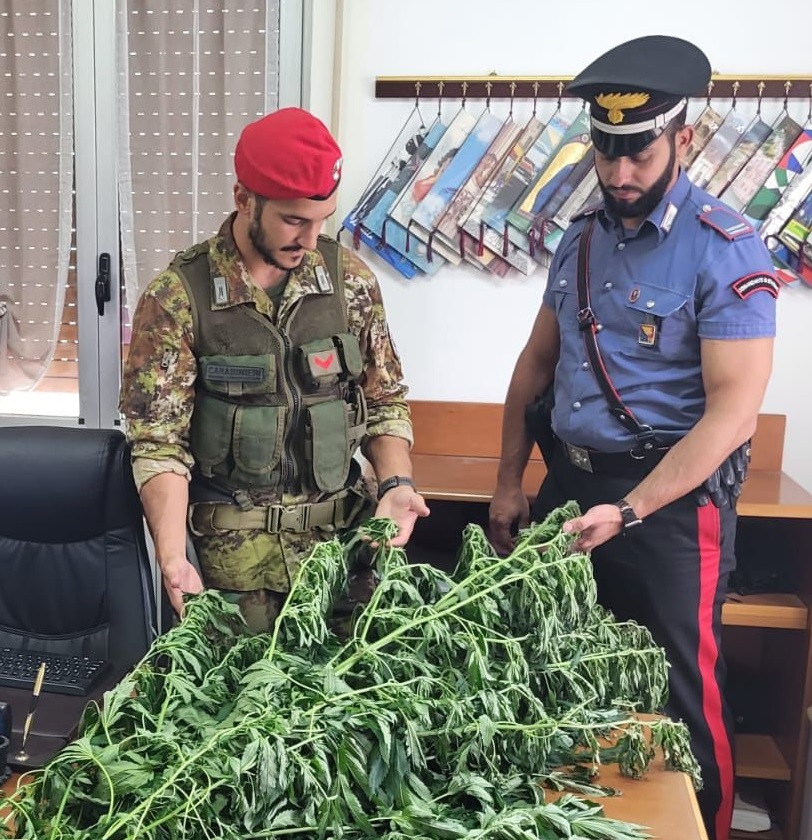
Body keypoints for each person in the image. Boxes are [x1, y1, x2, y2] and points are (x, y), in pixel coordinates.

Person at [488, 36, 777, 840]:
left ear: (685, 138)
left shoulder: (726, 246)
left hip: (670, 507)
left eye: (639, 154)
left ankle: (705, 828)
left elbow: (734, 413)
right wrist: (509, 481)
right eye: (606, 152)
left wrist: (631, 509)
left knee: (682, 693)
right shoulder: (581, 237)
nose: (619, 173)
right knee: (557, 673)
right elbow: (535, 367)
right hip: (572, 489)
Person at [120, 107, 429, 634]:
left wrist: (397, 483)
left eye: (322, 219)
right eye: (294, 220)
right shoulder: (177, 298)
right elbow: (158, 444)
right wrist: (172, 557)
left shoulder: (349, 282)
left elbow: (383, 401)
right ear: (244, 198)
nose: (310, 239)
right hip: (232, 572)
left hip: (344, 561)